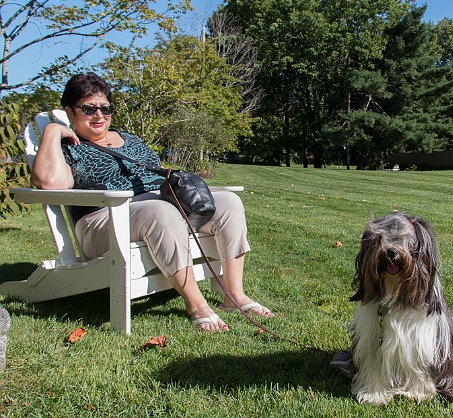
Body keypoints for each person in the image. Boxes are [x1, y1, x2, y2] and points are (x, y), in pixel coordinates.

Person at [31, 72, 272, 332]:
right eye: (88, 109)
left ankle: (234, 296)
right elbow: (47, 182)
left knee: (229, 203)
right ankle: (196, 304)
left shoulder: (130, 139)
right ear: (70, 111)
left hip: (156, 207)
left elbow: (156, 171)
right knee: (159, 211)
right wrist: (53, 131)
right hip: (104, 220)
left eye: (105, 108)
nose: (99, 116)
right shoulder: (69, 149)